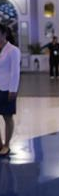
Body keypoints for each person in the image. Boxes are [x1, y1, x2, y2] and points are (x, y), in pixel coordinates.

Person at [0, 24, 21, 157]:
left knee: (7, 117)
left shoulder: (13, 50)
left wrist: (13, 90)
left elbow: (15, 72)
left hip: (7, 88)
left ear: (4, 34)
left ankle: (6, 145)